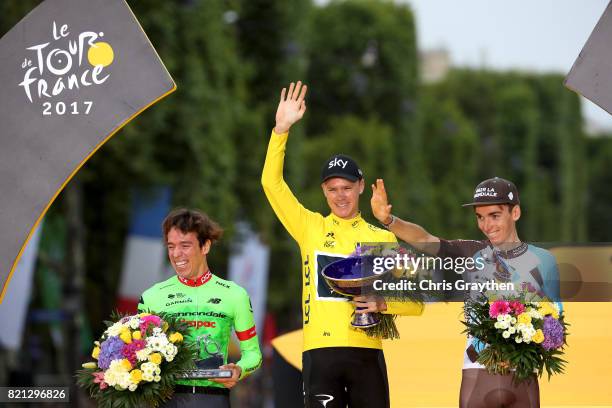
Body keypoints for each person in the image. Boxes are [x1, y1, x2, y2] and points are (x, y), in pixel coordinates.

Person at [261, 81, 423, 408]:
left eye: (347, 187)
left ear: (361, 186)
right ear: (323, 191)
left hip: (368, 353)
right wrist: (280, 130)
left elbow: (416, 301)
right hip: (320, 353)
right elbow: (271, 184)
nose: (340, 196)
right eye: (332, 189)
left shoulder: (380, 237)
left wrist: (382, 302)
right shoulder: (310, 227)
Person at [370, 176, 562, 408]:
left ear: (516, 213)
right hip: (477, 373)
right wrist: (388, 220)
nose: (486, 225)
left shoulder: (544, 260)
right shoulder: (470, 254)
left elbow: (556, 328)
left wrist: (529, 339)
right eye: (480, 217)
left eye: (495, 215)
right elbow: (424, 239)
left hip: (522, 378)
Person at [138, 208, 262, 408]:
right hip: (166, 399)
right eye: (171, 246)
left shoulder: (235, 295)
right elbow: (136, 352)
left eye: (185, 245)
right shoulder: (152, 296)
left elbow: (254, 355)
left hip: (214, 399)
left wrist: (238, 370)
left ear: (205, 246)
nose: (176, 254)